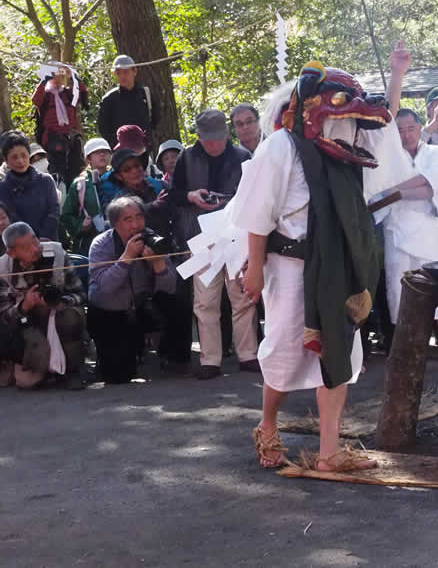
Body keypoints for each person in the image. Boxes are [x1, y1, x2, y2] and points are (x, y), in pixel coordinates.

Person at [217, 45, 412, 472]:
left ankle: (329, 451)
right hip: (290, 268)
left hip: (339, 267)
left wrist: (396, 77)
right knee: (287, 352)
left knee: (339, 352)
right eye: (341, 114)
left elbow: (385, 126)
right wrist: (253, 268)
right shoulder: (281, 148)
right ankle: (267, 426)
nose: (349, 123)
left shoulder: (350, 148)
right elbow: (257, 214)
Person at [169, 109, 256, 380]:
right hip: (201, 238)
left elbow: (256, 197)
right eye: (208, 140)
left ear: (227, 134)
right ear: (199, 137)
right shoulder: (187, 157)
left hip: (235, 237)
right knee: (205, 301)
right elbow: (174, 195)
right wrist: (192, 196)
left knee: (241, 297)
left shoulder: (243, 158)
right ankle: (210, 359)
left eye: (218, 139)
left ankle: (248, 354)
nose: (214, 145)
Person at [382, 108, 438, 362]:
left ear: (420, 128)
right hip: (397, 231)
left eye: (411, 129)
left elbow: (434, 187)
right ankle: (408, 348)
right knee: (400, 292)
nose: (406, 135)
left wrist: (397, 191)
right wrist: (408, 189)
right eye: (401, 130)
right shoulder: (388, 158)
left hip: (428, 229)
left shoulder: (434, 153)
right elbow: (381, 191)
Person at [88, 196, 188, 382]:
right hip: (110, 311)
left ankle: (174, 357)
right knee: (118, 376)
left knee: (178, 301)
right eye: (128, 219)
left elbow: (170, 286)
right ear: (115, 224)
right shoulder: (101, 244)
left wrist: (157, 264)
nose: (135, 225)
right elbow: (104, 288)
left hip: (143, 305)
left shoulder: (151, 238)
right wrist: (126, 258)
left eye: (139, 217)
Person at [0, 222, 86, 390]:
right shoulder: (3, 269)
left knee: (71, 317)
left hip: (60, 314)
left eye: (35, 241)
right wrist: (23, 306)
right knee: (26, 382)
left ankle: (72, 371)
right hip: (27, 323)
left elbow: (81, 294)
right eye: (26, 247)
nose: (35, 249)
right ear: (11, 253)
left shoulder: (58, 253)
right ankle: (45, 370)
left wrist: (60, 302)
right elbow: (3, 317)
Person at [31, 63, 88, 183]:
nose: (58, 78)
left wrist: (74, 76)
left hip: (70, 139)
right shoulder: (46, 94)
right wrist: (44, 80)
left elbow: (82, 96)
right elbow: (35, 100)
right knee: (57, 172)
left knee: (75, 170)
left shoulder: (67, 93)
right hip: (52, 139)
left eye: (60, 75)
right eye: (55, 75)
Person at [0, 132, 60, 241]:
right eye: (14, 157)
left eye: (24, 155)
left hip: (48, 242)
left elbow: (53, 211)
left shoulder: (46, 181)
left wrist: (44, 236)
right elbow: (11, 219)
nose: (20, 161)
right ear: (6, 161)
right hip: (20, 245)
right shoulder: (3, 188)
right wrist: (29, 240)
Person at [61, 138, 112, 255]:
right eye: (97, 152)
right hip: (89, 243)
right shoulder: (80, 184)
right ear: (88, 158)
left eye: (105, 151)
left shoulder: (118, 178)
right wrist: (80, 226)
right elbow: (66, 215)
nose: (102, 154)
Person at [97, 55, 160, 148]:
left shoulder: (146, 94)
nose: (122, 76)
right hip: (120, 150)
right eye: (118, 73)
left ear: (134, 71)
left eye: (126, 72)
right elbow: (103, 127)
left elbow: (155, 118)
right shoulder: (109, 99)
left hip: (143, 148)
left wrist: (146, 137)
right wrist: (115, 143)